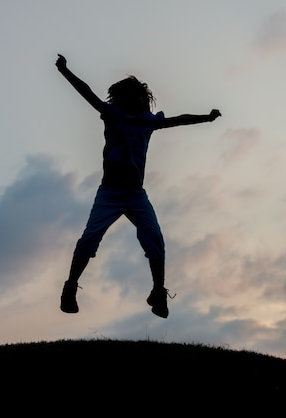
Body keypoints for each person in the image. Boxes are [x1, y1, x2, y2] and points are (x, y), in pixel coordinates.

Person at [56, 54, 221, 318]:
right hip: (109, 193)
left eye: (141, 97)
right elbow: (85, 92)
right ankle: (70, 287)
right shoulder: (111, 114)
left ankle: (158, 292)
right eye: (132, 96)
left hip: (135, 195)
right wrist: (64, 70)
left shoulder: (148, 121)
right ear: (122, 98)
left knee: (154, 238)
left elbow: (179, 119)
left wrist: (206, 117)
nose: (138, 101)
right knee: (90, 238)